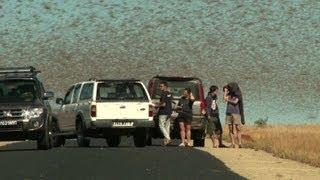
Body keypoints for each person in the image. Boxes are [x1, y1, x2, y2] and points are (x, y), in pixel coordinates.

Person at [224, 83, 244, 148]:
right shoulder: (229, 94)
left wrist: (228, 99)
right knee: (230, 129)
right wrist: (225, 92)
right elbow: (224, 99)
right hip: (228, 113)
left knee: (238, 128)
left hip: (236, 113)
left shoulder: (238, 94)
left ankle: (240, 143)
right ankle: (233, 143)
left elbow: (235, 102)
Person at [157, 82, 173, 146]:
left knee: (161, 125)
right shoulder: (170, 94)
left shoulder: (163, 94)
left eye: (161, 86)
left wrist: (156, 105)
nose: (160, 87)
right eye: (160, 86)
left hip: (163, 112)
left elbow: (163, 104)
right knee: (167, 127)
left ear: (165, 87)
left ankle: (168, 138)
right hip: (169, 112)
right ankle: (166, 142)